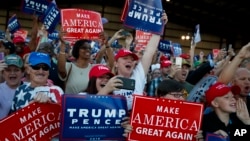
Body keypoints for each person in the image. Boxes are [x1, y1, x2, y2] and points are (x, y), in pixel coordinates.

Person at [112, 12, 168, 111]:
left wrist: (160, 26)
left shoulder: (138, 74)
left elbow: (149, 51)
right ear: (116, 63)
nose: (129, 61)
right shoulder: (108, 79)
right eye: (125, 58)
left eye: (132, 59)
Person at [122, 79, 204, 140]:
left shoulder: (190, 119)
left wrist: (196, 138)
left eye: (183, 95)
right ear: (162, 97)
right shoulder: (143, 116)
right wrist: (132, 134)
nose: (181, 99)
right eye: (176, 95)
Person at [0, 54, 24, 120]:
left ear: (22, 73)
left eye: (16, 70)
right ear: (2, 73)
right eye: (8, 70)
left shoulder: (30, 88)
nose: (12, 73)